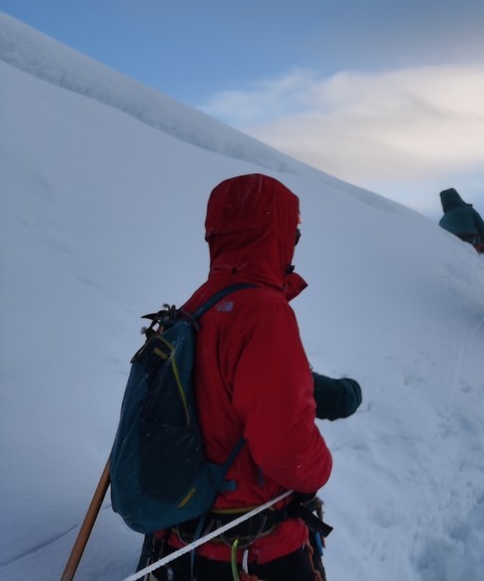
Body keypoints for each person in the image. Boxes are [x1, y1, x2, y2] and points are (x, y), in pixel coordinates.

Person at [137, 173, 354, 581]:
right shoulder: (263, 313)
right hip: (252, 555)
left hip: (179, 544)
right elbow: (284, 447)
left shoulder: (194, 307)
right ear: (277, 235)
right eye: (294, 233)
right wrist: (321, 467)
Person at [437, 188, 484, 253]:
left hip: (453, 245)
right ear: (458, 198)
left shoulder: (442, 220)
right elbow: (483, 229)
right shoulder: (468, 210)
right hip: (473, 242)